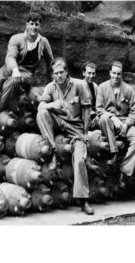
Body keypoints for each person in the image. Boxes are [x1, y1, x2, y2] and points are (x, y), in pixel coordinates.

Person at [0, 12, 54, 137]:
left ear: (40, 26)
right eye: (31, 24)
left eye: (37, 24)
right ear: (27, 24)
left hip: (27, 72)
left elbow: (50, 61)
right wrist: (14, 70)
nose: (34, 27)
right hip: (11, 67)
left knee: (12, 83)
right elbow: (10, 57)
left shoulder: (43, 42)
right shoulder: (16, 38)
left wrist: (51, 80)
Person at [36, 57, 94, 215]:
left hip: (75, 127)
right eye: (56, 73)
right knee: (42, 113)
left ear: (67, 72)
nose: (59, 76)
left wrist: (85, 133)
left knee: (80, 160)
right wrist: (51, 104)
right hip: (58, 122)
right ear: (52, 75)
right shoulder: (51, 87)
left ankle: (83, 200)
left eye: (61, 72)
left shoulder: (80, 85)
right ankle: (53, 151)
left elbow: (87, 110)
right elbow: (41, 106)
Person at [96, 61, 135, 189]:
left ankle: (125, 171)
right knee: (104, 117)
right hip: (109, 122)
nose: (116, 76)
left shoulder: (128, 89)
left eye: (119, 74)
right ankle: (114, 152)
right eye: (114, 73)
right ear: (110, 73)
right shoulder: (102, 87)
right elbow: (99, 109)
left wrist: (126, 125)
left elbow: (134, 112)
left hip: (124, 122)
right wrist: (113, 118)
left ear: (121, 75)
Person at [81, 61, 99, 130]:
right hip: (82, 118)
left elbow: (99, 105)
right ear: (83, 73)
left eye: (93, 73)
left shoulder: (95, 87)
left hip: (93, 117)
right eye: (89, 73)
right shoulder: (79, 86)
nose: (91, 76)